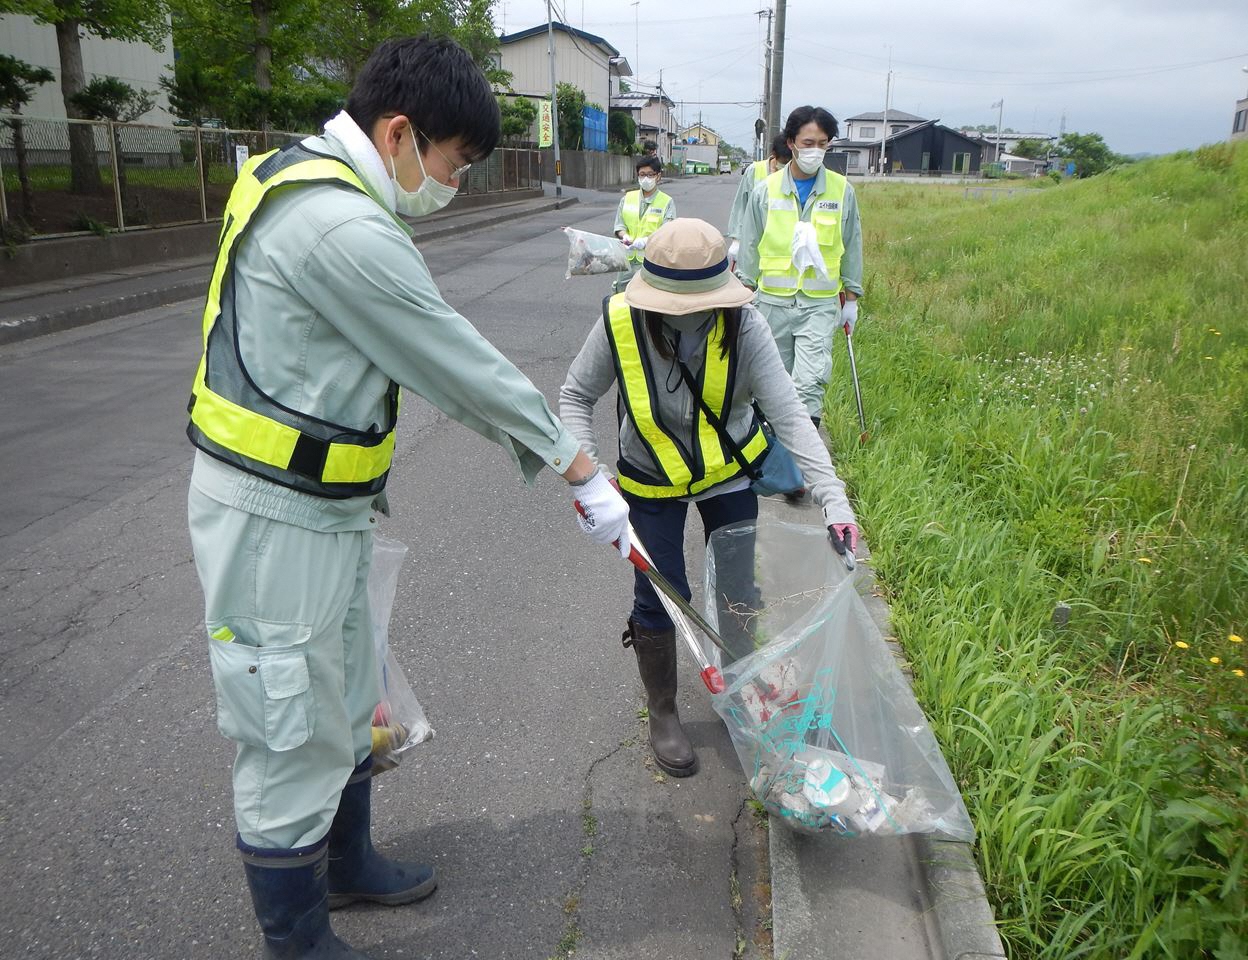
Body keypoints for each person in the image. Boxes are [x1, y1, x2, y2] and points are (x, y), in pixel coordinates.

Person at [185, 36, 629, 960]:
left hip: (325, 509)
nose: (454, 186)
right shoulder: (338, 226)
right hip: (274, 519)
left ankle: (345, 864)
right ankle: (297, 940)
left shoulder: (296, 175)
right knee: (289, 724)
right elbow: (448, 353)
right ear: (398, 132)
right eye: (455, 163)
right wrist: (580, 470)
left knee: (348, 698)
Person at [559, 218, 859, 778]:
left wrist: (834, 501)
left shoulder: (745, 326)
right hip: (650, 479)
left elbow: (791, 415)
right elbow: (576, 394)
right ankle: (664, 710)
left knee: (739, 589)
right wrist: (591, 478)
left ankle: (741, 690)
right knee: (660, 595)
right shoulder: (621, 319)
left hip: (729, 473)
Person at [735, 106, 863, 425]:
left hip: (818, 305)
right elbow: (750, 243)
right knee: (769, 384)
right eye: (808, 143)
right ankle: (769, 462)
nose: (815, 150)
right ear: (791, 142)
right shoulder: (766, 191)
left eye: (822, 143)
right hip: (772, 303)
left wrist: (852, 298)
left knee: (808, 383)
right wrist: (743, 292)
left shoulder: (842, 191)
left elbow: (852, 244)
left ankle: (800, 465)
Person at [612, 154, 676, 292]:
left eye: (650, 175)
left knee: (649, 300)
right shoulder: (627, 198)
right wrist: (624, 236)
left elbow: (668, 232)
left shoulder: (666, 202)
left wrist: (647, 241)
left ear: (658, 176)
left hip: (652, 263)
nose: (646, 178)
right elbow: (619, 226)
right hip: (627, 262)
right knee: (622, 295)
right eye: (642, 175)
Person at [725, 133, 792, 262]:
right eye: (783, 162)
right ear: (774, 154)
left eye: (789, 162)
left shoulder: (795, 175)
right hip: (753, 238)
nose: (785, 166)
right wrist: (736, 239)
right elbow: (741, 204)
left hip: (781, 244)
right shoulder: (754, 170)